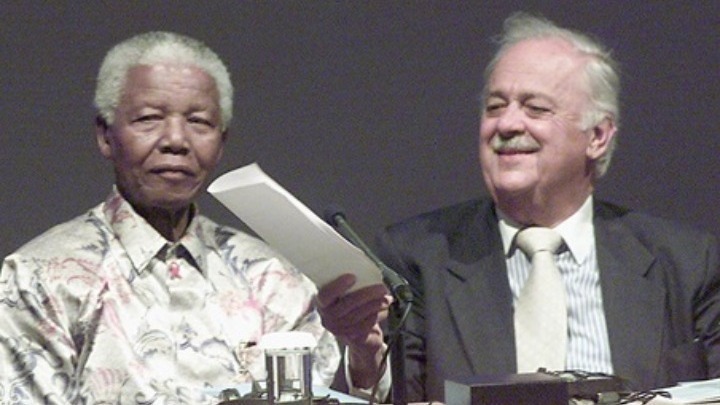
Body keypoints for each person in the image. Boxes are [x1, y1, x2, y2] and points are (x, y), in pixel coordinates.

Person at [0, 31, 388, 404]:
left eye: (199, 122)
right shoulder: (38, 277)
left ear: (222, 142)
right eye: (149, 118)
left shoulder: (271, 277)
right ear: (105, 135)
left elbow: (326, 395)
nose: (176, 140)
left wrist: (361, 351)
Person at [375, 12, 720, 402]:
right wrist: (364, 359)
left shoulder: (687, 263)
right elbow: (390, 395)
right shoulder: (415, 260)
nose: (506, 124)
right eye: (494, 107)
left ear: (598, 136)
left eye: (535, 108)